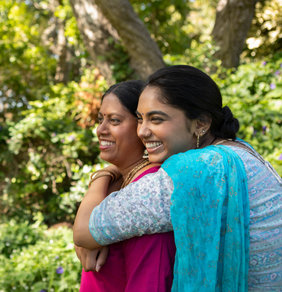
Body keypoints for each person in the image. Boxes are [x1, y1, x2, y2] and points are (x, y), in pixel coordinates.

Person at [73, 65, 282, 291]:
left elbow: (84, 231)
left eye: (156, 119)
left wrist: (102, 176)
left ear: (201, 123)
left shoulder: (194, 172)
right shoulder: (240, 151)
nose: (141, 131)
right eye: (140, 119)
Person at [76, 80, 176, 291]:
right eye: (100, 119)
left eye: (114, 120)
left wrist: (102, 176)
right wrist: (104, 175)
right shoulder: (117, 181)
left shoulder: (150, 190)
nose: (100, 130)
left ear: (141, 126)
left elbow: (151, 281)